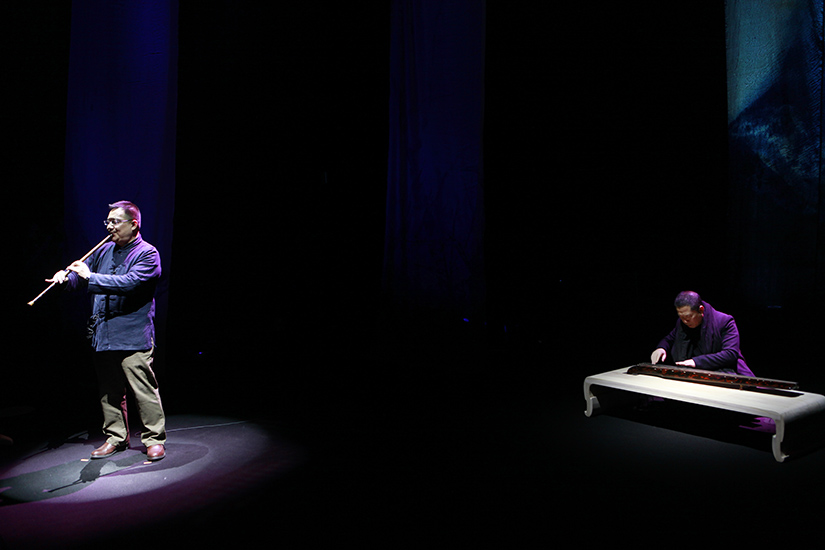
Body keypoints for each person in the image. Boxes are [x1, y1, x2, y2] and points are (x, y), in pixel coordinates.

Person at [48, 201, 167, 461]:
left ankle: (154, 439)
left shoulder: (148, 254)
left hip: (133, 334)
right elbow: (80, 278)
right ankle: (116, 437)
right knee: (109, 390)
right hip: (103, 333)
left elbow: (129, 283)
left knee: (143, 390)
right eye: (108, 221)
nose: (109, 226)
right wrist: (65, 279)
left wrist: (89, 276)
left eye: (115, 222)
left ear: (134, 224)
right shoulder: (104, 249)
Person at [650, 290, 754, 377]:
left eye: (688, 317)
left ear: (701, 310)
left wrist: (696, 362)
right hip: (695, 375)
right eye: (681, 317)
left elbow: (730, 354)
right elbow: (670, 338)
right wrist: (661, 348)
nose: (685, 321)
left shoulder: (724, 321)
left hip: (723, 374)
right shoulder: (682, 323)